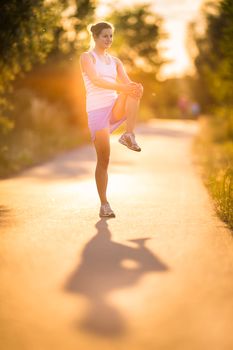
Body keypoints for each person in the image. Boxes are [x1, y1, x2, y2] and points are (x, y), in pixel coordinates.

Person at [80, 21, 143, 218]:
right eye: (105, 36)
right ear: (95, 37)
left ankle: (129, 135)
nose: (109, 39)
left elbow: (127, 84)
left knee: (134, 90)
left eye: (110, 36)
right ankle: (104, 204)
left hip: (114, 106)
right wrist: (124, 88)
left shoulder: (115, 61)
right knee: (104, 159)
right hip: (97, 111)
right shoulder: (86, 57)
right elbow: (97, 81)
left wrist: (135, 87)